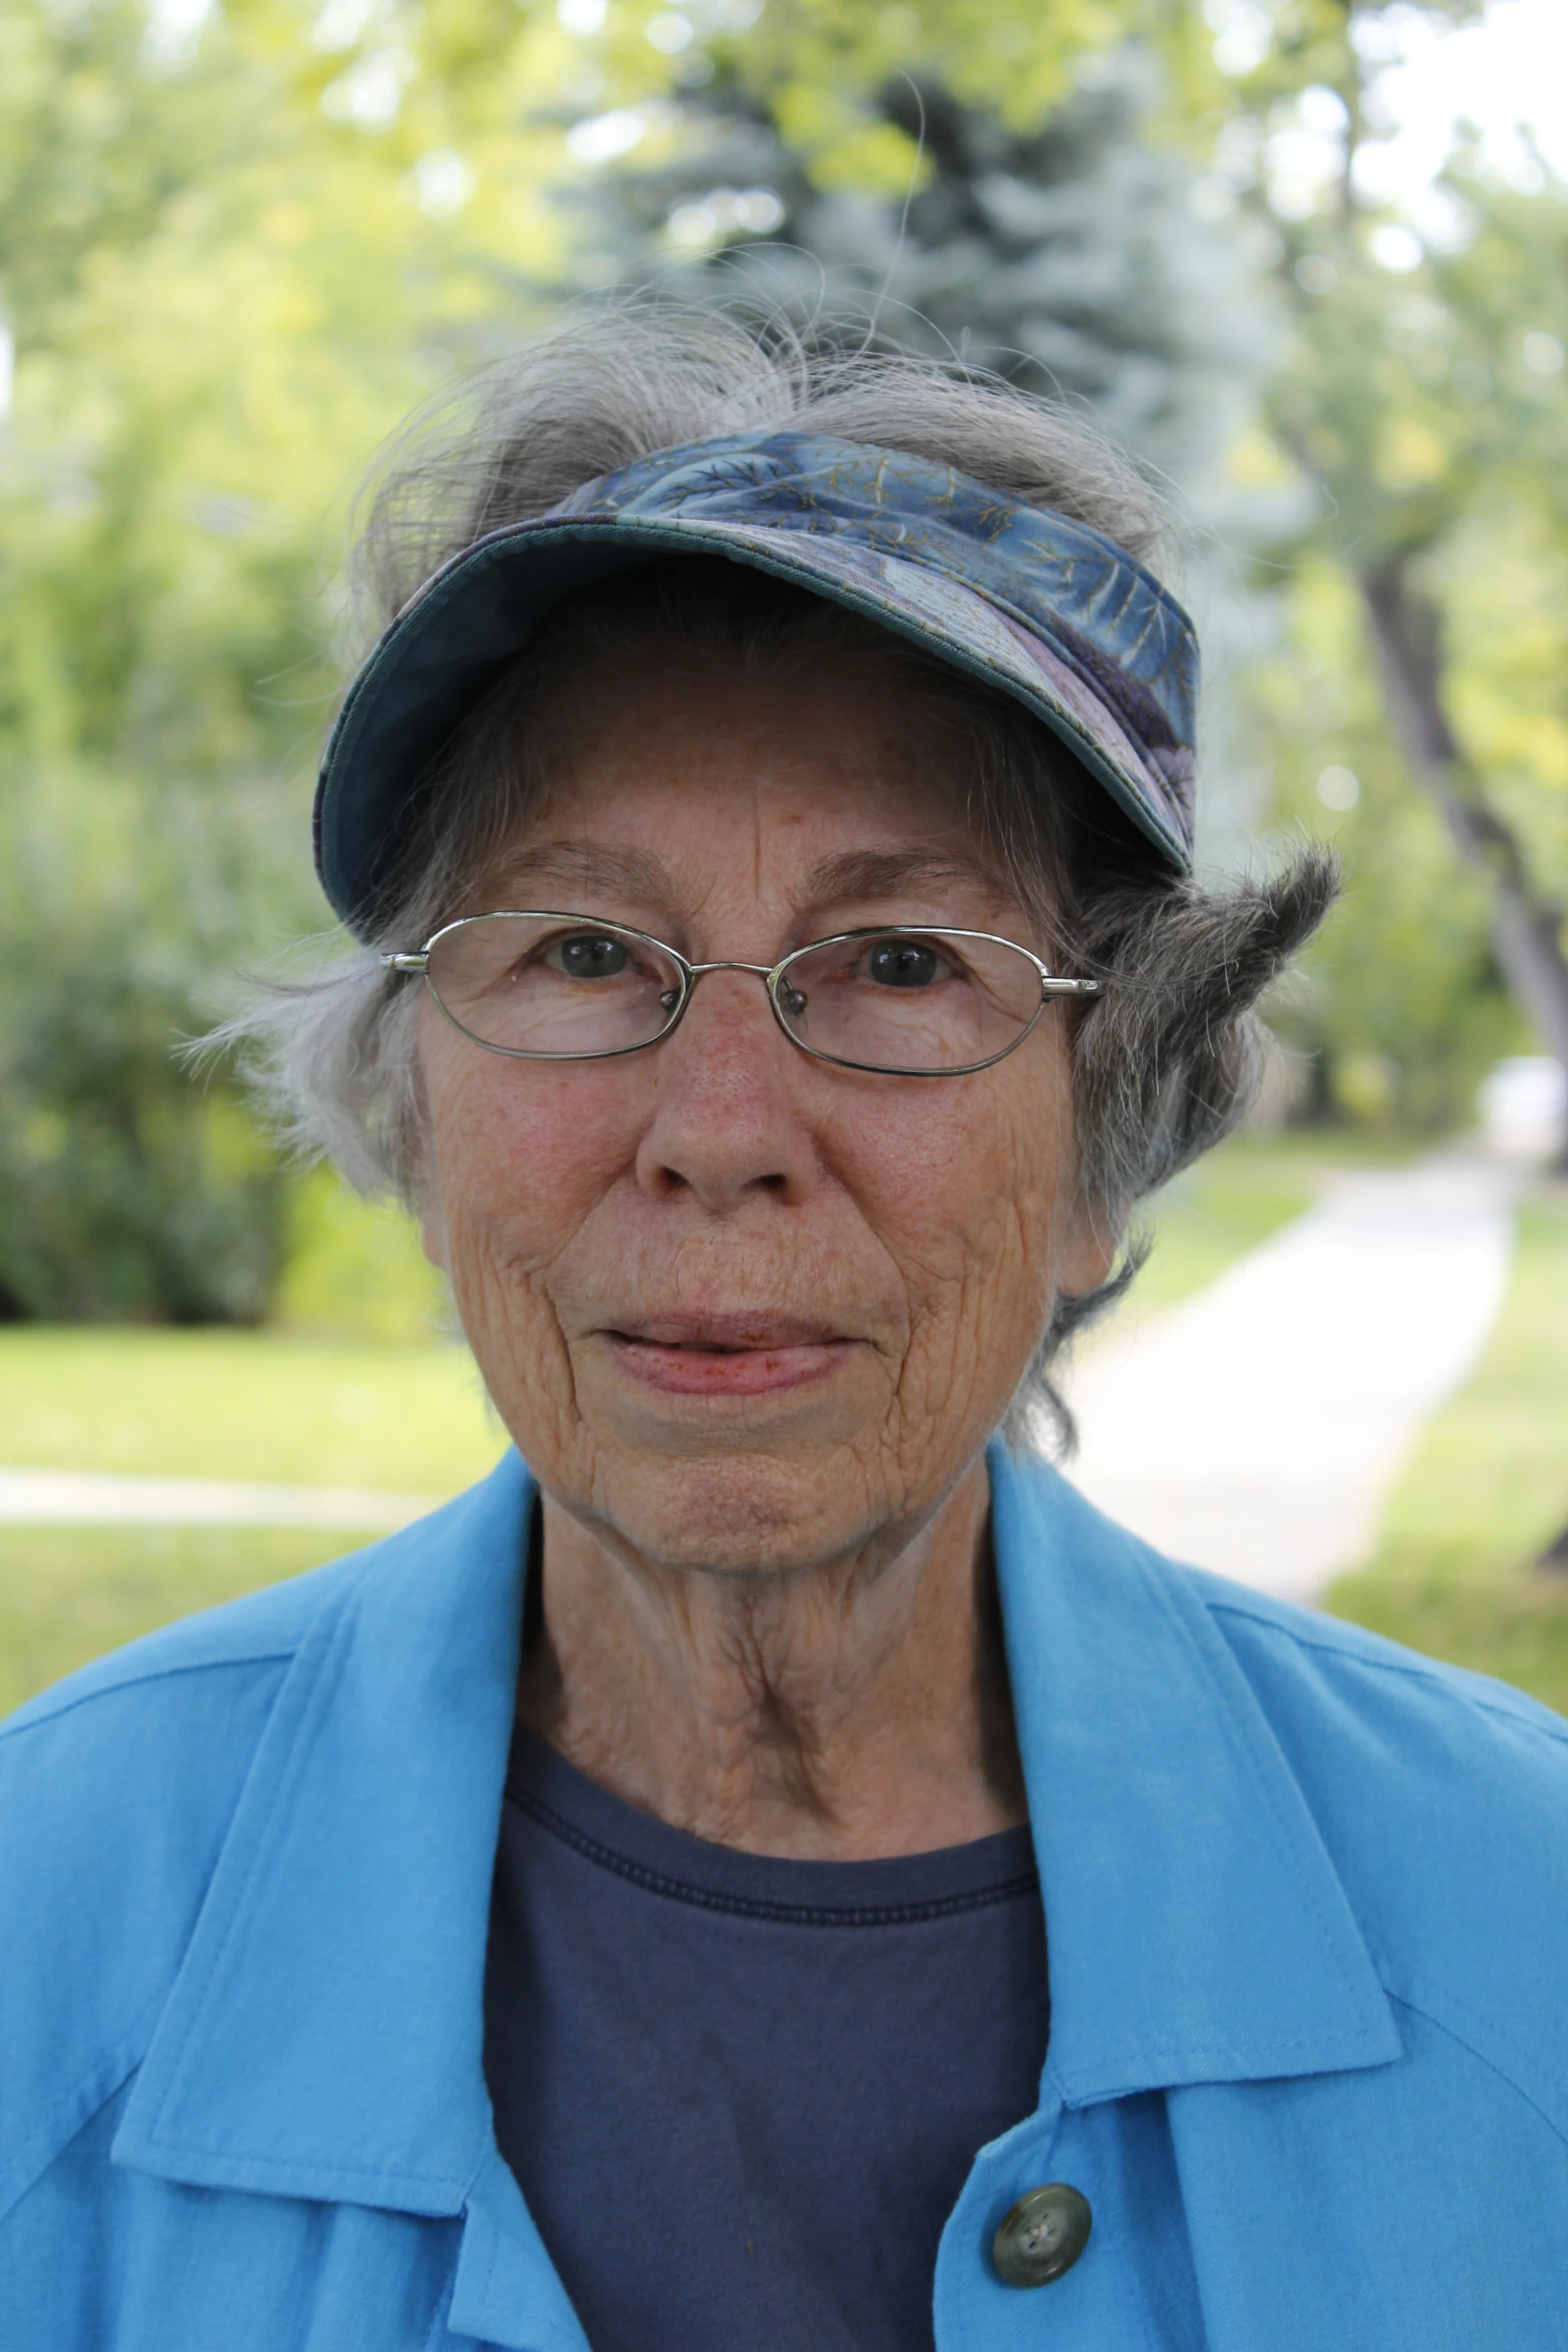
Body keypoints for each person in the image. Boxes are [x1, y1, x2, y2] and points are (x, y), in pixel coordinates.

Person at [4, 308, 1566, 2352]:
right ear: (414, 1112)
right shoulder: (51, 1912)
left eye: (900, 961)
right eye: (581, 950)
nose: (721, 1131)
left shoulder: (1517, 1925)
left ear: (1110, 1150)